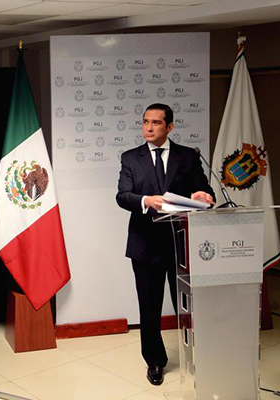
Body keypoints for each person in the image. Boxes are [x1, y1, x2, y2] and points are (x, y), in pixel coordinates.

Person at [116, 103, 215, 386]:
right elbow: (123, 196)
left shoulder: (187, 156)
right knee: (149, 308)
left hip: (180, 243)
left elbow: (204, 190)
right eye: (145, 122)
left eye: (156, 123)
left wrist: (203, 195)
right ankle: (155, 362)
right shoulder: (131, 158)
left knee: (189, 307)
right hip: (145, 245)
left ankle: (198, 358)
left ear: (169, 127)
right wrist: (146, 200)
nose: (149, 127)